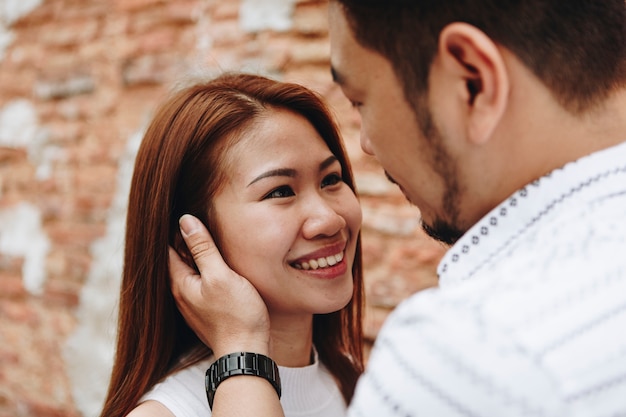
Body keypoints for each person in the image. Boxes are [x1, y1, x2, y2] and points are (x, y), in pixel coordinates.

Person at [170, 0, 626, 415]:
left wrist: (240, 355)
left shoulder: (470, 351)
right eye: (279, 192)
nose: (366, 144)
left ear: (472, 81)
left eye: (361, 101)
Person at [99, 72, 365, 417]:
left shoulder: (353, 379)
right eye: (280, 191)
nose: (330, 220)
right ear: (190, 245)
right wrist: (242, 345)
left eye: (331, 179)